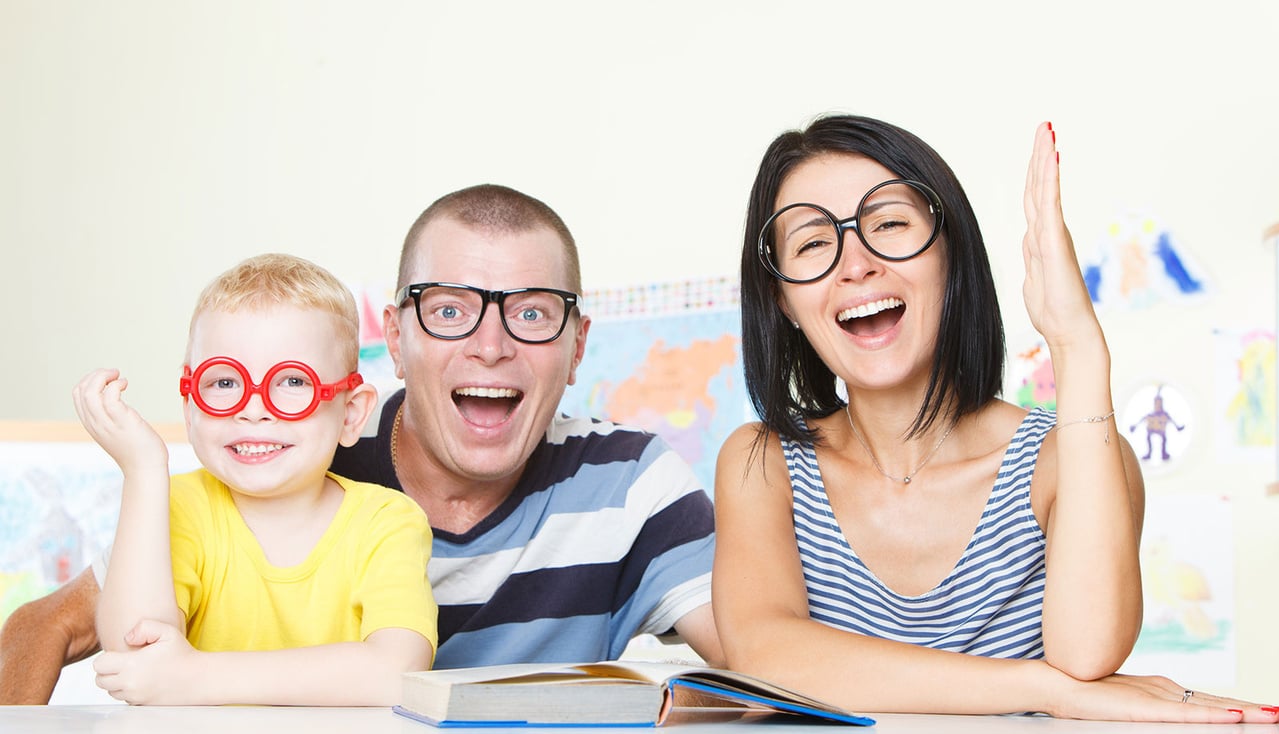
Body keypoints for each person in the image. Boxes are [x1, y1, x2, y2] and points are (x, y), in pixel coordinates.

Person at [0, 185, 721, 704]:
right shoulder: (291, 455)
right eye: (448, 310)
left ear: (577, 345)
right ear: (396, 340)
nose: (491, 346)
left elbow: (764, 659)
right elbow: (52, 627)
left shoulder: (635, 483)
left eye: (533, 313)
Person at [712, 114, 1278, 723]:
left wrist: (1077, 342)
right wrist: (1045, 689)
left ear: (952, 256)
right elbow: (763, 656)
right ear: (784, 302)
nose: (856, 264)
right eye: (814, 243)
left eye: (890, 224)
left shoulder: (1068, 460)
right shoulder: (761, 462)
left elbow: (1086, 653)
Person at [71, 254, 437, 705]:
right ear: (190, 407)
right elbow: (134, 658)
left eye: (292, 382)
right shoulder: (181, 508)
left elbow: (395, 672)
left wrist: (194, 676)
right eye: (224, 383)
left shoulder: (388, 521)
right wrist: (144, 471)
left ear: (351, 413)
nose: (254, 408)